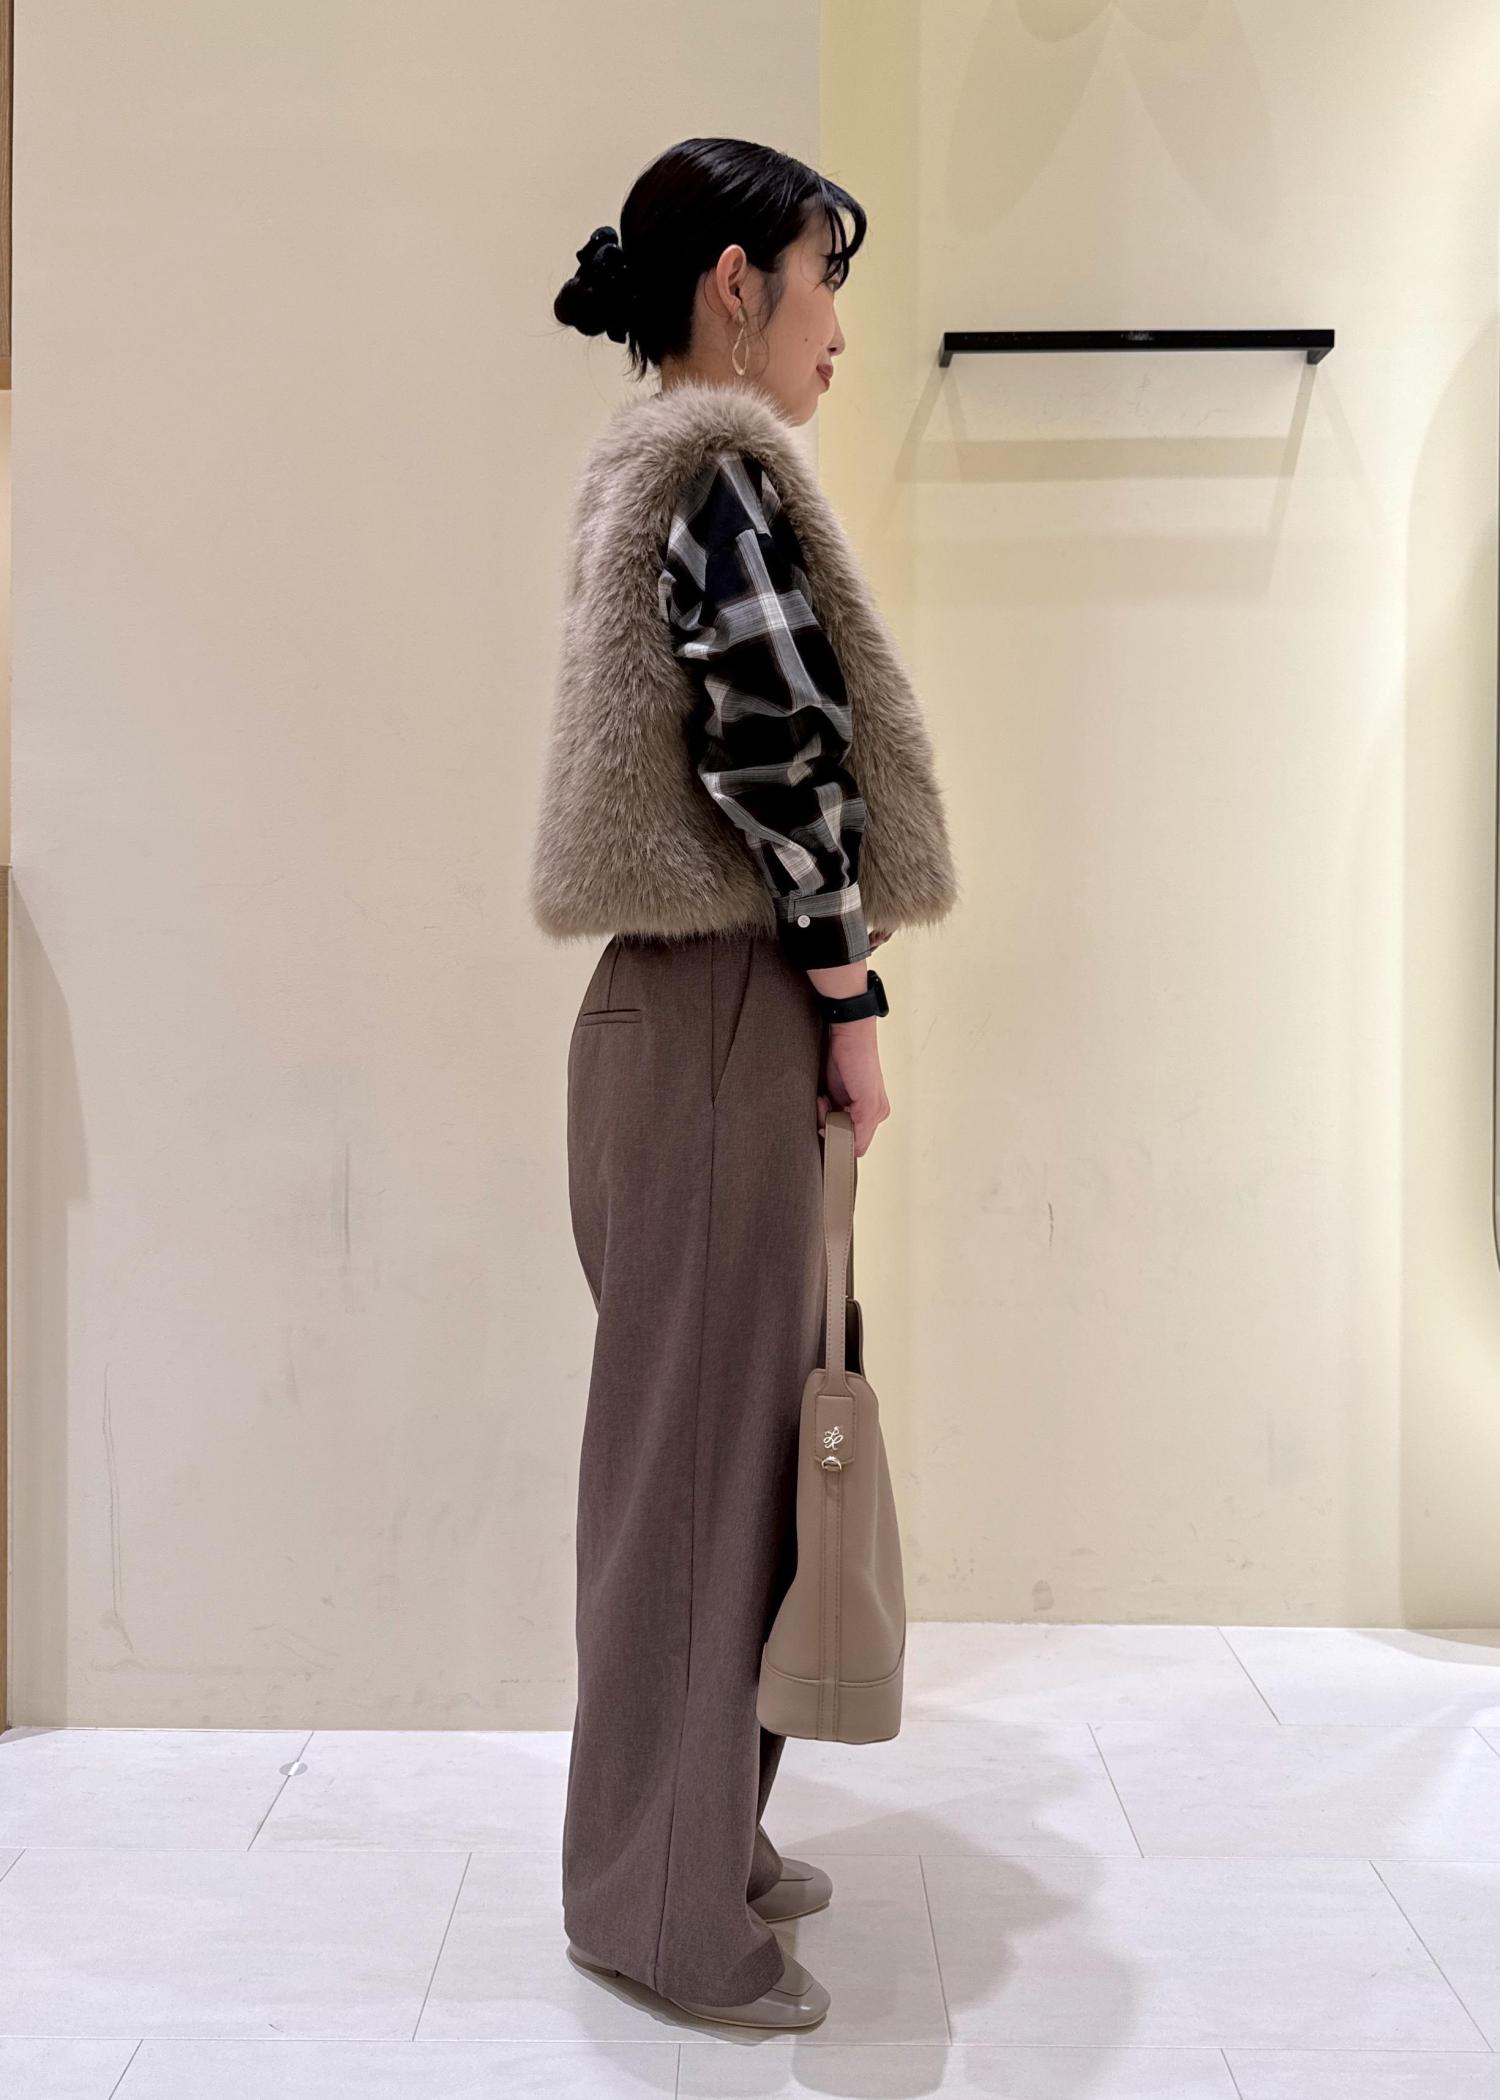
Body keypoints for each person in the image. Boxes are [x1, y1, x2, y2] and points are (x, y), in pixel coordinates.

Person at [531, 135, 958, 2032]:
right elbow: (780, 752)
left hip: (691, 1015)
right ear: (735, 285)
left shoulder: (672, 467)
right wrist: (849, 997)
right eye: (822, 277)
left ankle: (703, 1836)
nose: (838, 327)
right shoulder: (717, 473)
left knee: (731, 1466)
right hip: (720, 1013)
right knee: (702, 1486)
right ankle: (658, 1913)